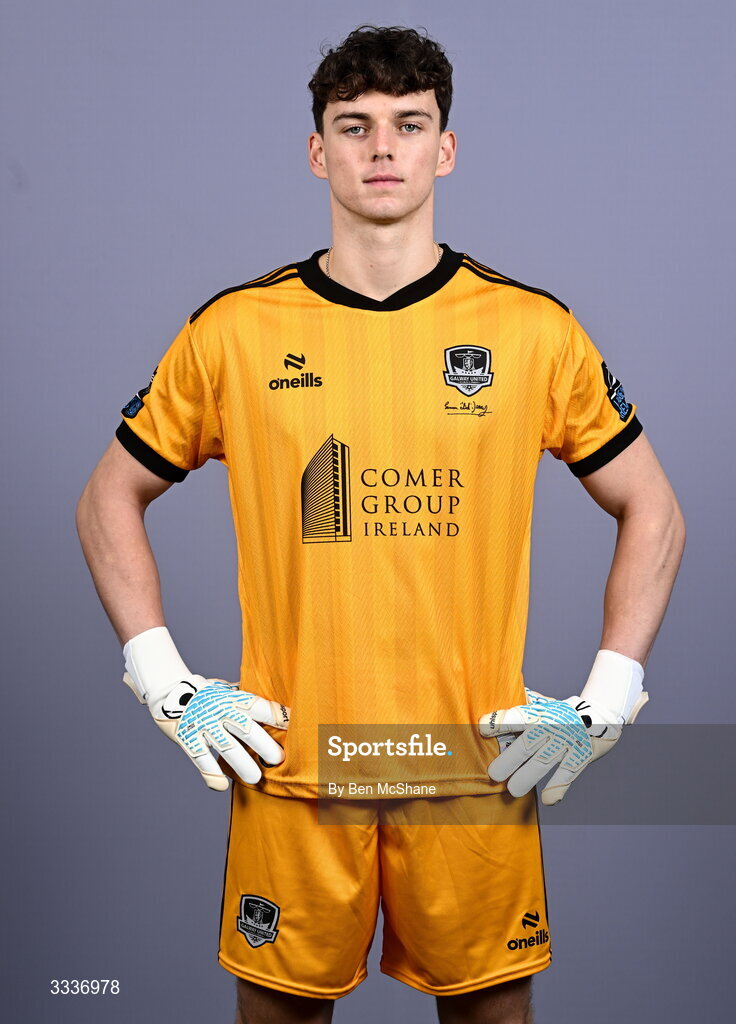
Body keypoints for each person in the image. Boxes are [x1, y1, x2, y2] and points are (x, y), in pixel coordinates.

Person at [76, 23, 686, 1024]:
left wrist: (606, 700)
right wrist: (164, 683)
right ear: (317, 151)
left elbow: (651, 507)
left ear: (445, 147)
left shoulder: (529, 330)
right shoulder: (234, 330)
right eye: (353, 127)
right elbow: (107, 495)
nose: (382, 149)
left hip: (470, 768)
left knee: (490, 1011)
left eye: (409, 125)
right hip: (295, 767)